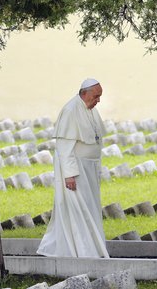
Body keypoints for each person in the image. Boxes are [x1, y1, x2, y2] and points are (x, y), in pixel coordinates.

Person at [36, 78, 110, 258]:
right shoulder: (70, 110)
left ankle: (92, 247)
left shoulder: (90, 109)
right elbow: (64, 147)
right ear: (84, 93)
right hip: (75, 172)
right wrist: (69, 175)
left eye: (100, 96)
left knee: (90, 208)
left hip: (89, 169)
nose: (98, 100)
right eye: (96, 96)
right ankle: (82, 251)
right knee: (78, 209)